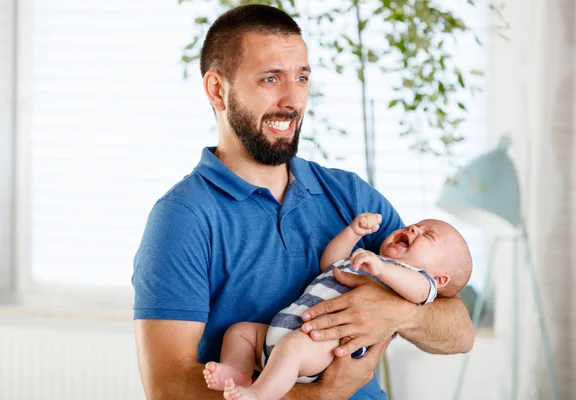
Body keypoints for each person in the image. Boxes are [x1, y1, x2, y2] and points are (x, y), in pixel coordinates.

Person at [132, 4, 474, 400]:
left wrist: (402, 313)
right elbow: (167, 386)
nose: (292, 99)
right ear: (217, 90)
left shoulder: (349, 195)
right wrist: (321, 395)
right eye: (271, 78)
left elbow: (459, 331)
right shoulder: (183, 218)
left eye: (302, 77)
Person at [201, 213, 472, 400]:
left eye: (428, 235)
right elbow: (329, 264)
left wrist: (382, 269)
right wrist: (353, 232)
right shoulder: (368, 259)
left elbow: (421, 293)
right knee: (240, 332)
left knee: (291, 349)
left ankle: (260, 394)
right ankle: (238, 371)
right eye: (416, 224)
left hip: (320, 346)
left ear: (440, 278)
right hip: (286, 328)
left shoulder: (418, 281)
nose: (413, 228)